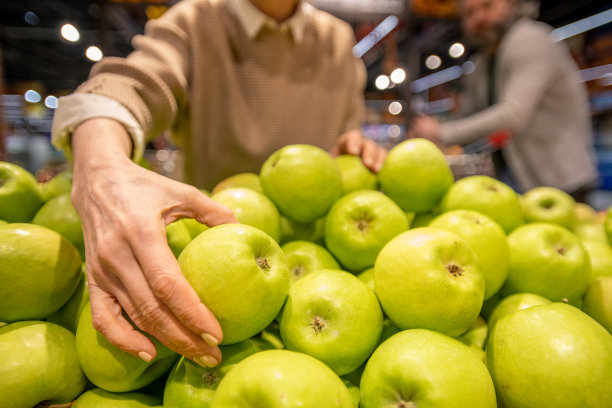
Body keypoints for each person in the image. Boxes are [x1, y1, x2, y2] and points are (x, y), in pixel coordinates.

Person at [50, 0, 385, 368]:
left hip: (320, 253)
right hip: (200, 256)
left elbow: (344, 133)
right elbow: (127, 88)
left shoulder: (336, 37)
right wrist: (102, 168)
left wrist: (355, 147)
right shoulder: (197, 20)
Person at [410, 0, 599, 200]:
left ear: (512, 4)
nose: (479, 18)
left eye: (488, 6)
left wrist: (441, 132)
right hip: (521, 182)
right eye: (469, 13)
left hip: (562, 180)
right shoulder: (482, 63)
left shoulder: (529, 39)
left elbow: (512, 116)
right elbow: (468, 115)